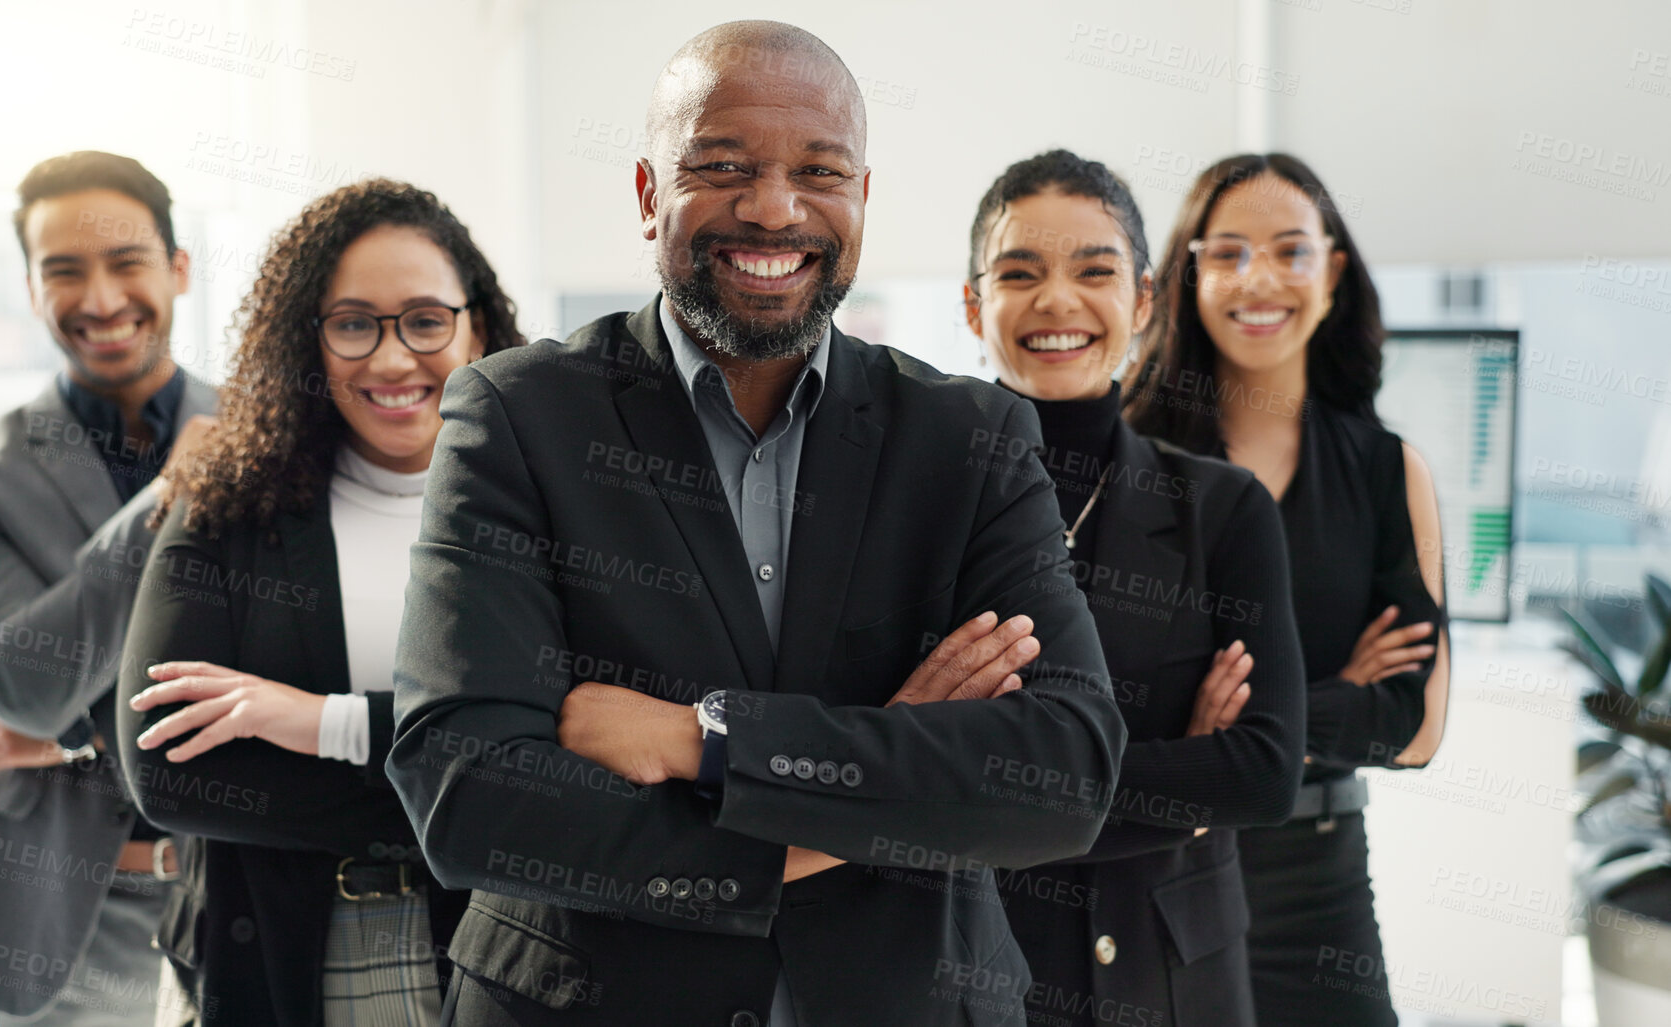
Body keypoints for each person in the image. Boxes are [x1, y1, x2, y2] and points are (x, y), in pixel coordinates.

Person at [386, 21, 1127, 1027]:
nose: (774, 207)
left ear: (862, 198)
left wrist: (712, 744)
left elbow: (1061, 772)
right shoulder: (517, 415)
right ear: (650, 196)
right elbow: (470, 787)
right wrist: (875, 778)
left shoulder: (972, 434)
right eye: (723, 165)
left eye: (819, 170)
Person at [113, 178, 527, 1026]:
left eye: (424, 318)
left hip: (498, 947)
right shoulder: (227, 502)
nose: (389, 357)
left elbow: (568, 752)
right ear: (310, 342)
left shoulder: (542, 507)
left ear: (476, 323)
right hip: (276, 950)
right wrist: (456, 791)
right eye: (351, 324)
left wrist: (314, 722)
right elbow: (166, 772)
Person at [962, 150, 1306, 1027]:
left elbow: (1262, 773)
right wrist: (1178, 792)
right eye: (1019, 272)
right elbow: (900, 761)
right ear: (973, 304)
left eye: (1094, 270)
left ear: (1143, 301)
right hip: (979, 970)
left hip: (1176, 978)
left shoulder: (1222, 507)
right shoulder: (922, 505)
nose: (1057, 301)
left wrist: (1003, 793)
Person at [1124, 153, 1450, 1027]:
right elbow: (1108, 709)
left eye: (1289, 251)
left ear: (1332, 271)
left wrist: (1234, 730)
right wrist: (1338, 699)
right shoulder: (1124, 456)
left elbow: (1414, 728)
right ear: (1187, 273)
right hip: (1151, 865)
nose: (1257, 279)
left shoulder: (1389, 471)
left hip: (1319, 882)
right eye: (1226, 252)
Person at [0, 150, 216, 1026]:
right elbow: (26, 690)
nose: (102, 298)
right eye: (65, 270)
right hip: (67, 920)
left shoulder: (270, 435)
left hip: (254, 884)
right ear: (33, 288)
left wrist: (88, 739)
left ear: (177, 269)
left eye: (126, 263)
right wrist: (168, 497)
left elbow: (308, 672)